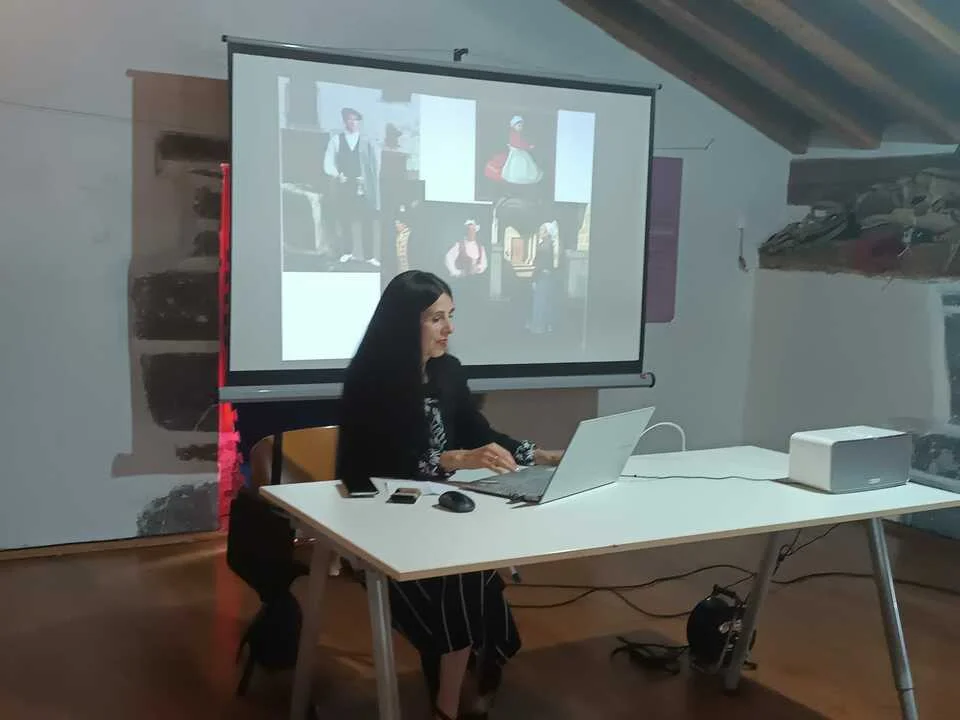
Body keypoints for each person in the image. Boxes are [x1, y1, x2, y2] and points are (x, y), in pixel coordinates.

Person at [337, 270, 563, 720]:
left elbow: (480, 434)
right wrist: (457, 459)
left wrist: (538, 455)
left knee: (469, 573)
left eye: (451, 316)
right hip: (383, 518)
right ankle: (454, 694)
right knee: (469, 577)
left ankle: (452, 690)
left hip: (440, 513)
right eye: (436, 318)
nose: (449, 329)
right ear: (406, 323)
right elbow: (386, 465)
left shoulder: (448, 371)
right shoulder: (370, 381)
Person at [323, 107, 380, 266]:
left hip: (362, 187)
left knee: (367, 220)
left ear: (359, 122)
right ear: (345, 121)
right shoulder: (336, 140)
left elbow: (374, 164)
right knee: (345, 220)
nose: (353, 122)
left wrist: (366, 179)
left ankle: (369, 256)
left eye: (355, 119)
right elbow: (328, 162)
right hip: (345, 185)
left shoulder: (366, 141)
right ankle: (347, 252)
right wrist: (337, 175)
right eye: (350, 119)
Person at [484, 115, 543, 186]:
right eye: (519, 126)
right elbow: (518, 143)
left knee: (525, 164)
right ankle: (518, 177)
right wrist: (528, 147)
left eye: (521, 126)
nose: (520, 127)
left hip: (519, 151)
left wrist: (527, 145)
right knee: (517, 163)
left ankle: (522, 176)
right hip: (516, 152)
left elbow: (521, 142)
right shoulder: (514, 134)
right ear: (514, 126)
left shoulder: (517, 134)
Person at [529, 221, 560, 334]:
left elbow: (539, 264)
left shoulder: (544, 246)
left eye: (542, 230)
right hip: (546, 276)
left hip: (541, 275)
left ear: (547, 232)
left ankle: (539, 326)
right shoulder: (550, 244)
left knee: (540, 302)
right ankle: (547, 325)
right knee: (546, 301)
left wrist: (534, 278)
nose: (539, 231)